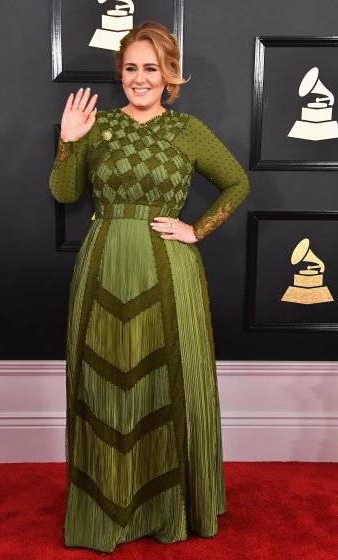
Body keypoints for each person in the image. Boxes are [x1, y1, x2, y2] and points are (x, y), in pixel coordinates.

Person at [49, 20, 250, 553]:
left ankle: (169, 507)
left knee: (170, 382)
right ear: (121, 73)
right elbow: (65, 193)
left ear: (169, 75)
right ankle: (105, 511)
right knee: (104, 382)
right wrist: (68, 142)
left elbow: (237, 181)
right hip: (105, 261)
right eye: (132, 68)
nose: (141, 78)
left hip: (168, 263)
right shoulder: (96, 124)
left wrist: (196, 228)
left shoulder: (187, 130)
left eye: (152, 68)